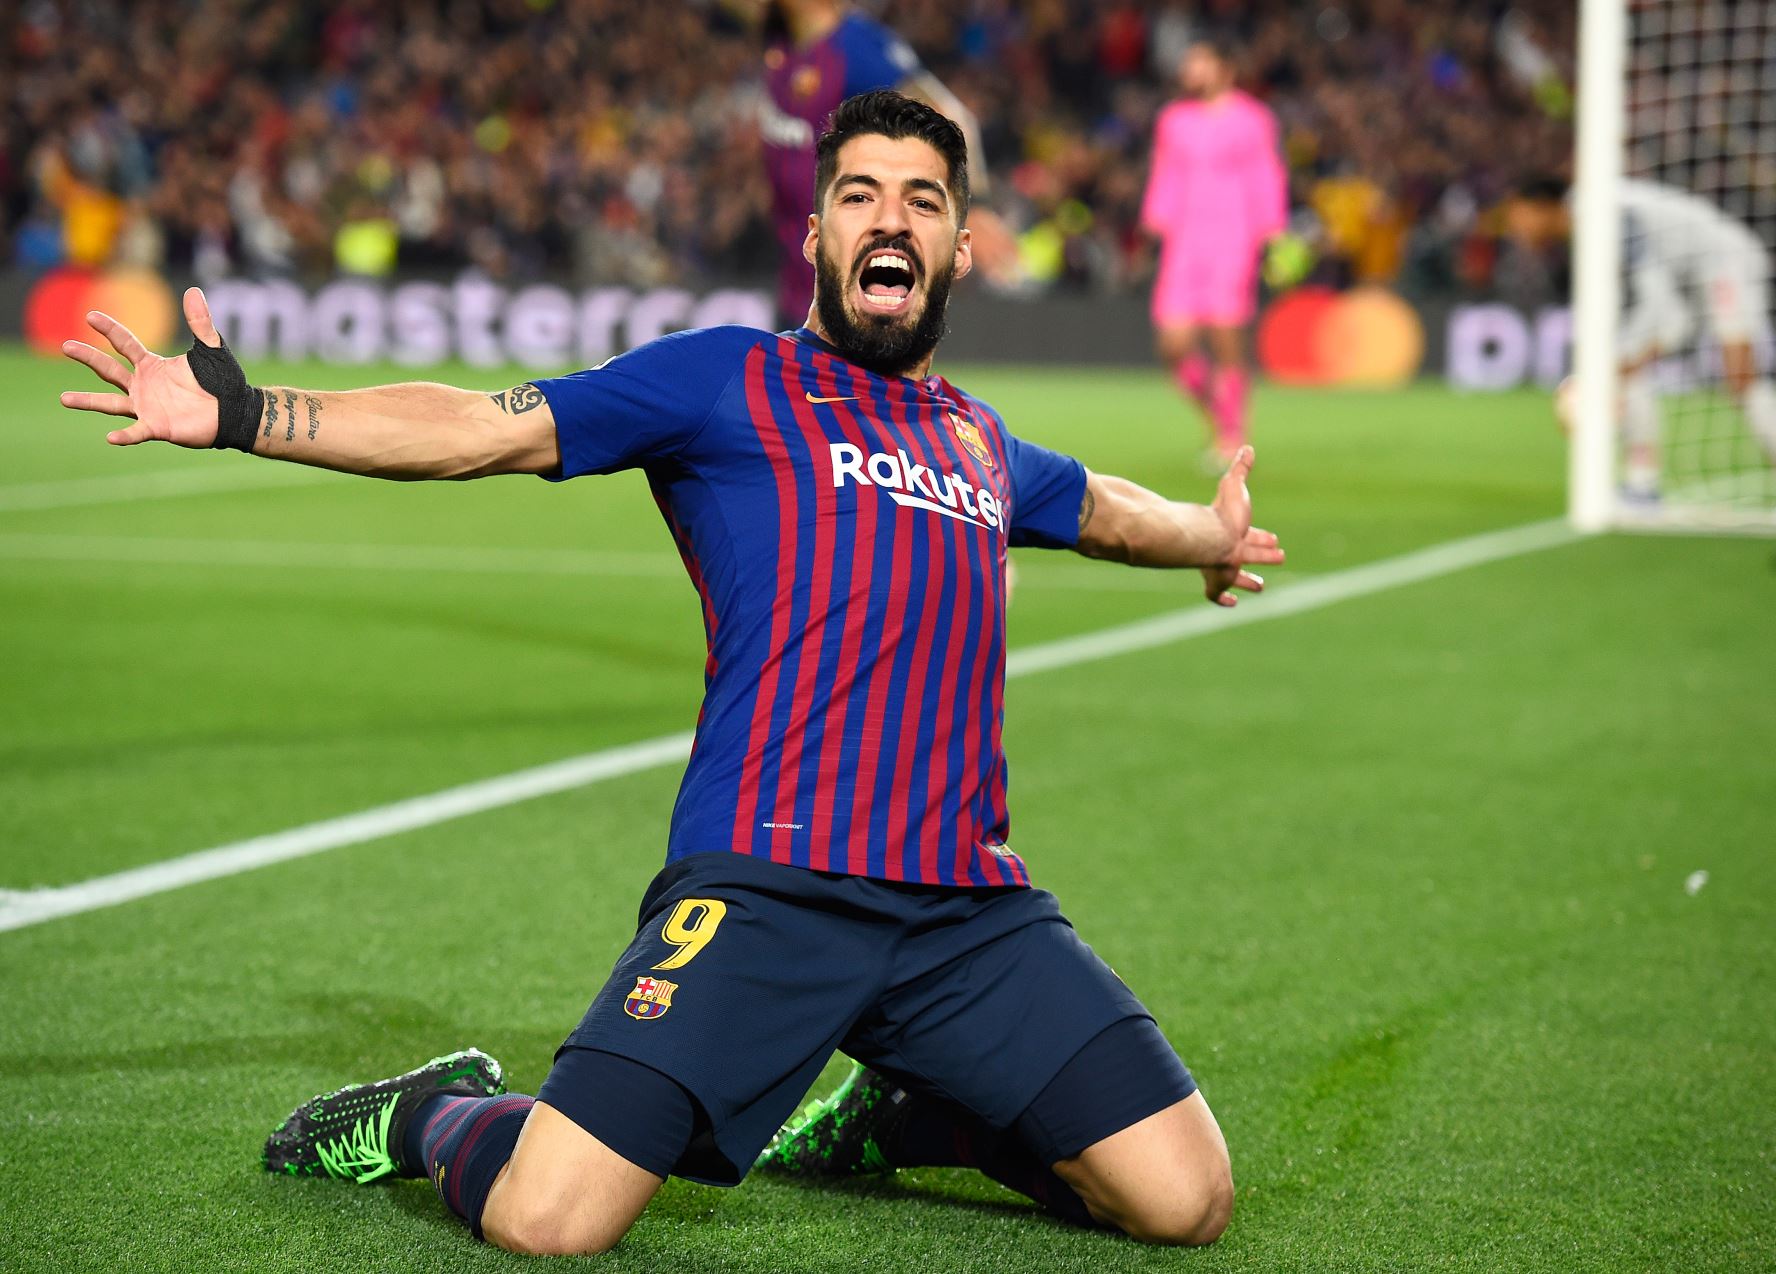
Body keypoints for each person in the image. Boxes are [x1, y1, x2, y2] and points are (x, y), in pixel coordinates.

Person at [57, 91, 1281, 1257]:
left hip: (964, 907)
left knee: (1187, 1198)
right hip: (768, 886)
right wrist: (248, 412)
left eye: (923, 199)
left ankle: (915, 1112)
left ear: (962, 247)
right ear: (816, 234)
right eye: (860, 195)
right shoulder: (722, 381)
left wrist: (1211, 536)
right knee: (550, 1215)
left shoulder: (977, 438)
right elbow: (482, 425)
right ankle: (429, 1112)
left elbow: (1103, 506)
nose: (891, 219)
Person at [1511, 175, 1776, 508]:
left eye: (1520, 216)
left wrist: (1612, 371)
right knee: (1626, 361)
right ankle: (1642, 485)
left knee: (1740, 377)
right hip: (1685, 276)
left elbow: (1664, 311)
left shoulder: (1604, 215)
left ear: (1544, 208)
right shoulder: (1589, 224)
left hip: (1723, 260)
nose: (1516, 228)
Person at [742, 0, 1015, 326]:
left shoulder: (857, 47)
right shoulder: (782, 39)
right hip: (795, 269)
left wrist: (976, 205)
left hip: (841, 276)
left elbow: (949, 115)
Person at [1141, 37, 1287, 472]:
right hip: (1184, 240)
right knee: (1173, 342)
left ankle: (1231, 434)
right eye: (1189, 62)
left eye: (1200, 61)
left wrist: (1272, 229)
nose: (1190, 70)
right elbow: (1165, 171)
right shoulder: (1173, 119)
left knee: (1226, 336)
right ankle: (1217, 418)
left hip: (1233, 235)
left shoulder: (1253, 118)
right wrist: (1154, 220)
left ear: (1224, 67)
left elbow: (1267, 172)